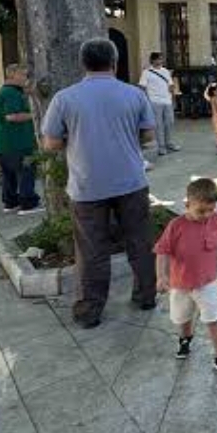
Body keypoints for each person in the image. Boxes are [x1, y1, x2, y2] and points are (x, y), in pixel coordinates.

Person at [41, 39, 156, 328]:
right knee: (139, 241)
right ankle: (146, 296)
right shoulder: (134, 95)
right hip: (131, 181)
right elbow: (149, 136)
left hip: (87, 186)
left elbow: (51, 143)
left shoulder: (65, 98)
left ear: (83, 64)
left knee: (92, 249)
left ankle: (90, 311)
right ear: (114, 62)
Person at [155, 177, 217, 376]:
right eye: (201, 211)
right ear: (187, 204)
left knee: (213, 319)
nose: (207, 215)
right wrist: (161, 276)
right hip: (180, 285)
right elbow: (162, 251)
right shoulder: (176, 226)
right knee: (182, 318)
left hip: (207, 284)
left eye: (211, 209)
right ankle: (185, 338)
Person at [0, 63, 43, 214]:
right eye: (23, 75)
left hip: (4, 144)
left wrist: (30, 93)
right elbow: (12, 116)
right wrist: (35, 115)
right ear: (13, 75)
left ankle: (11, 203)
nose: (26, 78)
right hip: (18, 143)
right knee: (26, 172)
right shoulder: (10, 93)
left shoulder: (6, 91)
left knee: (9, 176)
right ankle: (28, 204)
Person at [139, 52, 180, 155]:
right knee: (158, 124)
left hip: (167, 100)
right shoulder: (146, 72)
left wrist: (173, 96)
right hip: (154, 101)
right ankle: (161, 147)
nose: (160, 61)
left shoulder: (165, 71)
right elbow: (142, 87)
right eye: (158, 59)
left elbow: (171, 85)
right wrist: (146, 101)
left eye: (161, 59)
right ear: (152, 60)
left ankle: (169, 143)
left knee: (169, 122)